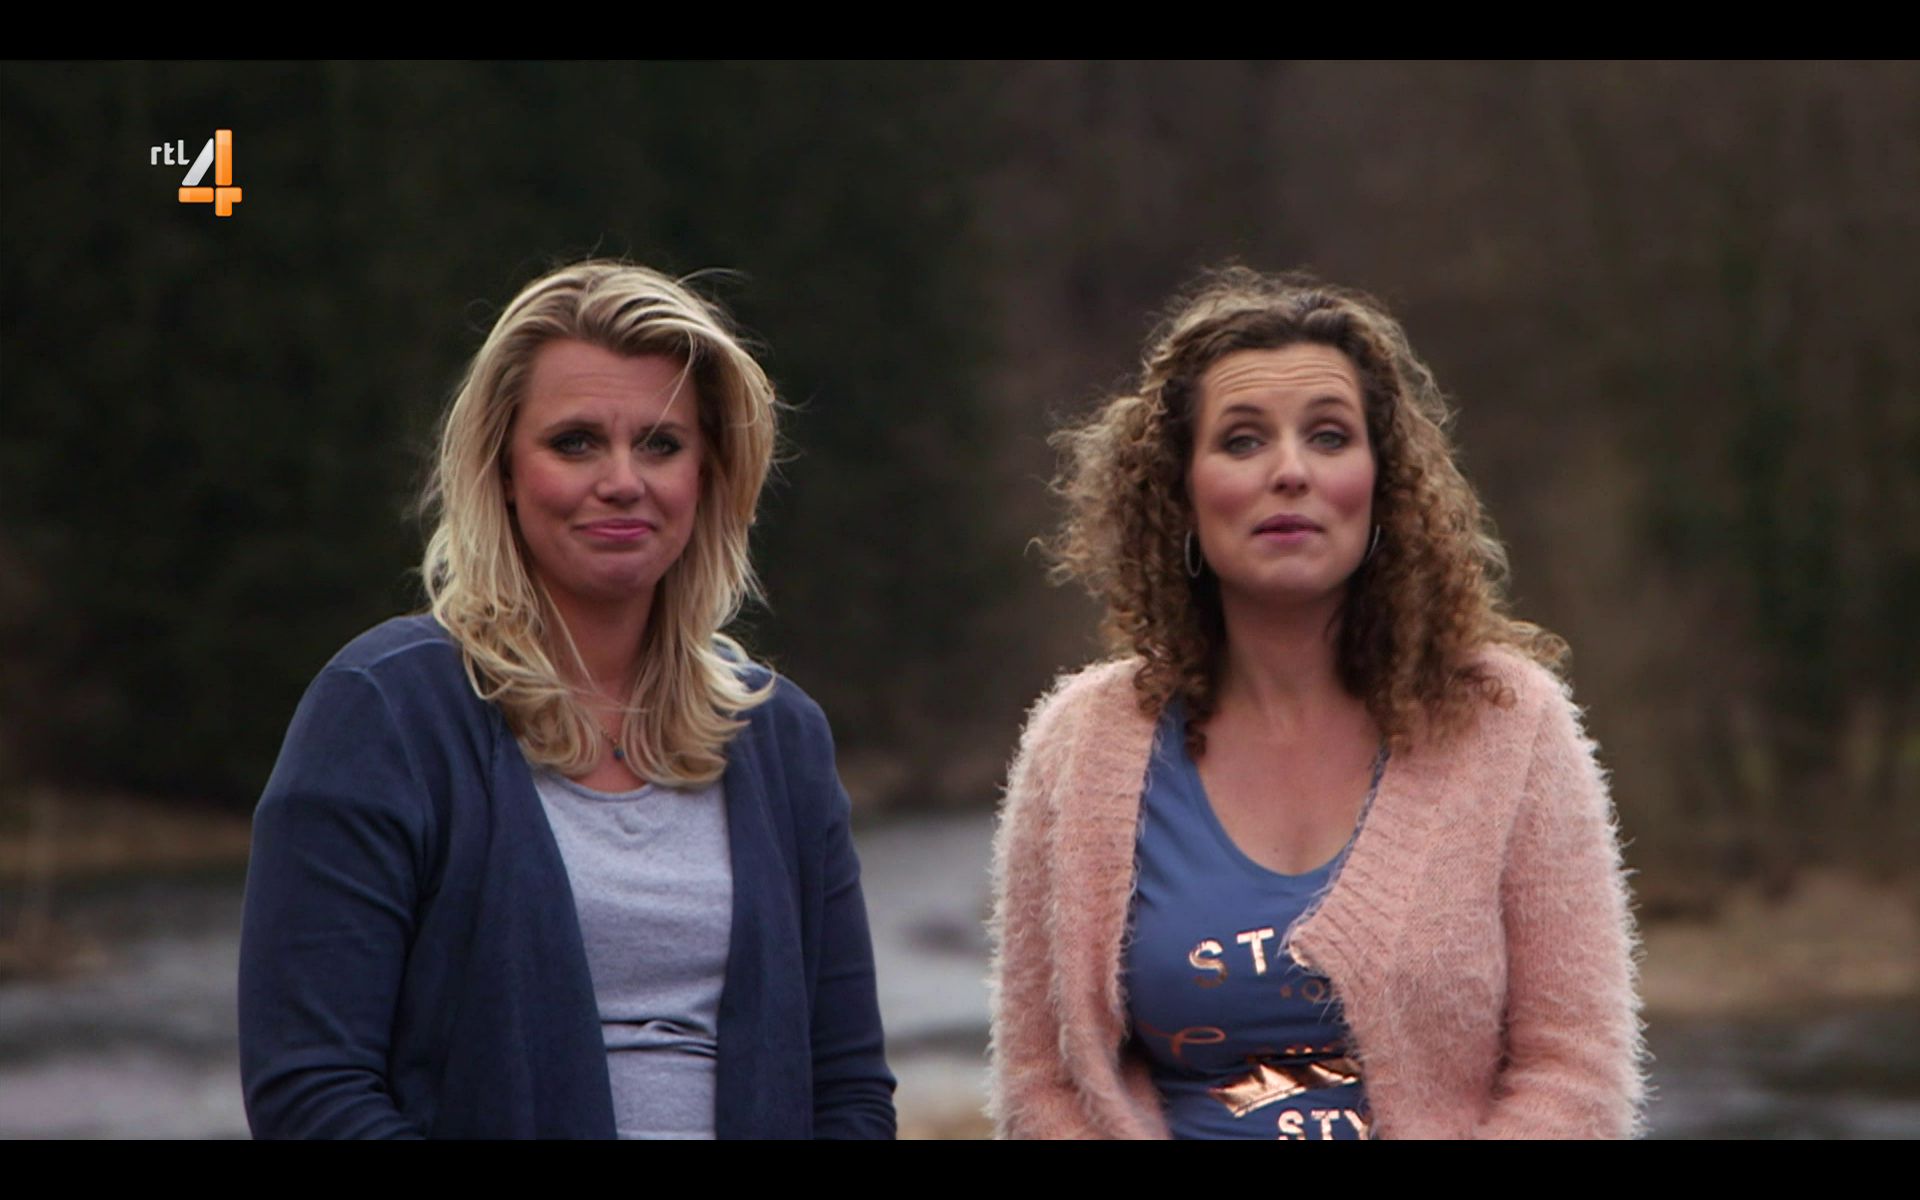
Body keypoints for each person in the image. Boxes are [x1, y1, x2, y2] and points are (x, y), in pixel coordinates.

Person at [239, 260, 895, 1139]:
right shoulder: (383, 712)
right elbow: (310, 1090)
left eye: (660, 444)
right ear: (504, 469)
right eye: (576, 442)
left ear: (709, 475)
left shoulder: (779, 736)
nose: (622, 479)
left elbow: (849, 1091)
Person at [988, 267, 1643, 1139]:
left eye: (1330, 437)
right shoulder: (1079, 746)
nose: (1291, 472)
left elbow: (1576, 1072)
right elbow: (1042, 1084)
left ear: (1383, 481)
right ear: (1181, 491)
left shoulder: (1510, 724)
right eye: (1243, 441)